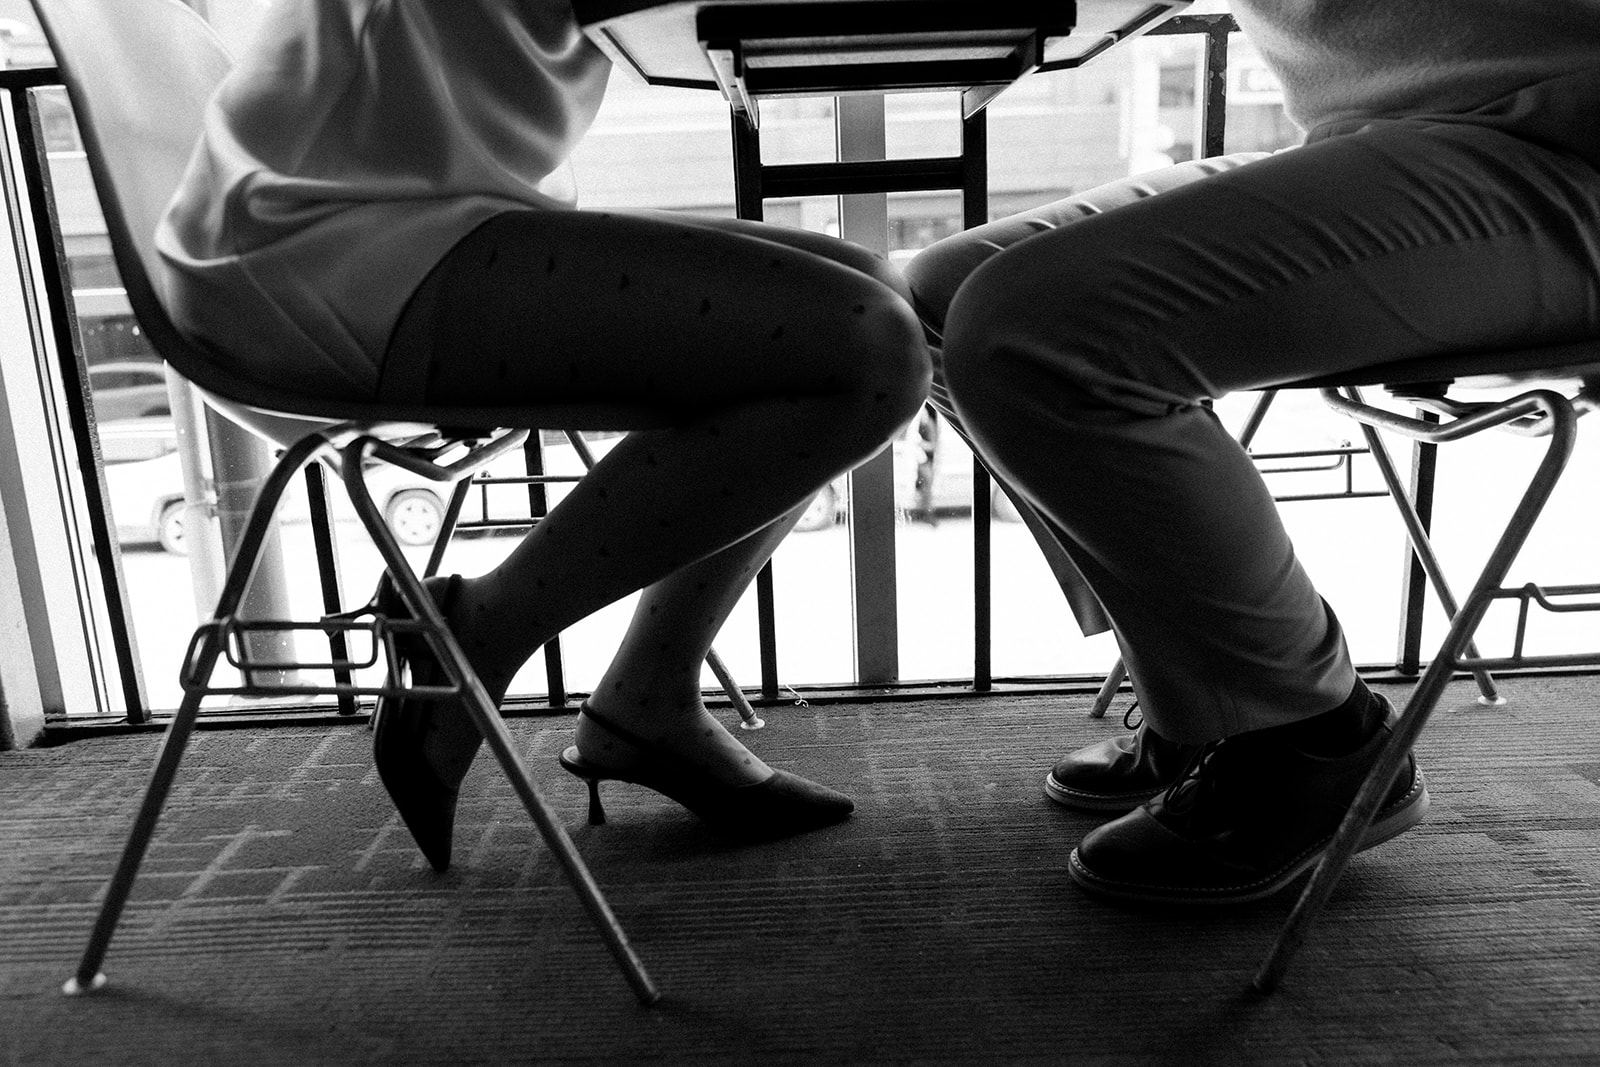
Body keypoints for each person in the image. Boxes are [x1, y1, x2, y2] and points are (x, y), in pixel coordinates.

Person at [157, 0, 932, 870]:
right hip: (321, 234)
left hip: (427, 210)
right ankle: (482, 631)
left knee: (869, 293)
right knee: (865, 350)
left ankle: (648, 694)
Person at [904, 1, 1600, 905]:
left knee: (1031, 330)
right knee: (936, 299)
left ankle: (1310, 738)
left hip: (1563, 149)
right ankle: (1204, 695)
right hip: (1384, 138)